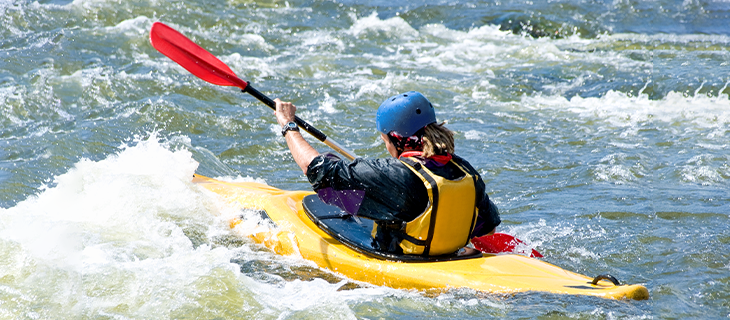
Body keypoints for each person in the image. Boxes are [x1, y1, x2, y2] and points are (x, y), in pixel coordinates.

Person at [274, 91, 500, 256]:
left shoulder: (392, 174)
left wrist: (288, 124)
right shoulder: (465, 170)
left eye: (385, 140)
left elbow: (316, 170)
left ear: (396, 139)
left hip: (404, 264)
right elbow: (487, 227)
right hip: (450, 261)